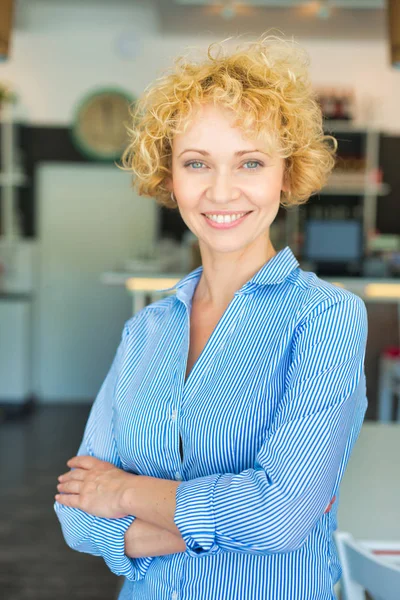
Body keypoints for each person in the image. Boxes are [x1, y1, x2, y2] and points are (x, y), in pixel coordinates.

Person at [53, 32, 368, 600]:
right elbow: (76, 517)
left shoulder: (326, 318)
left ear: (286, 173)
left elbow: (279, 518)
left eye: (250, 162)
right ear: (169, 176)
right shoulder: (145, 330)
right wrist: (238, 517)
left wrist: (122, 493)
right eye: (197, 163)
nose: (221, 192)